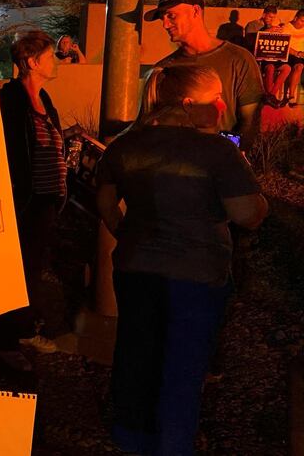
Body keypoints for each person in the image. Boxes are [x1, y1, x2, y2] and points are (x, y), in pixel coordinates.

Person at [97, 65, 268, 455]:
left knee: (136, 352)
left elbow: (105, 202)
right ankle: (173, 443)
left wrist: (127, 233)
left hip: (135, 268)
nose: (223, 105)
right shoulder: (216, 151)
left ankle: (130, 435)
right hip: (196, 274)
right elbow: (247, 215)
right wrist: (261, 202)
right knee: (183, 364)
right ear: (190, 104)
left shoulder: (126, 143)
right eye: (216, 98)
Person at [0, 30, 67, 371]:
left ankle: (23, 329)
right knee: (17, 271)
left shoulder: (45, 97)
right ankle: (6, 340)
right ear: (33, 62)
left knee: (33, 268)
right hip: (25, 201)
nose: (55, 62)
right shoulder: (11, 100)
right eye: (50, 56)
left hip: (46, 200)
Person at [144, 0, 263, 149]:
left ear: (195, 11)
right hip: (173, 163)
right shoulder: (164, 69)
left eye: (171, 15)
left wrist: (228, 153)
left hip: (219, 166)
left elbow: (250, 122)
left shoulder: (239, 59)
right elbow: (150, 122)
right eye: (162, 18)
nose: (165, 24)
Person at [279, 8, 304, 106]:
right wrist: (297, 53)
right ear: (296, 18)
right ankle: (291, 96)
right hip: (291, 54)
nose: (303, 24)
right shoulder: (286, 28)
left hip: (301, 55)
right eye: (302, 21)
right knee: (299, 66)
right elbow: (284, 45)